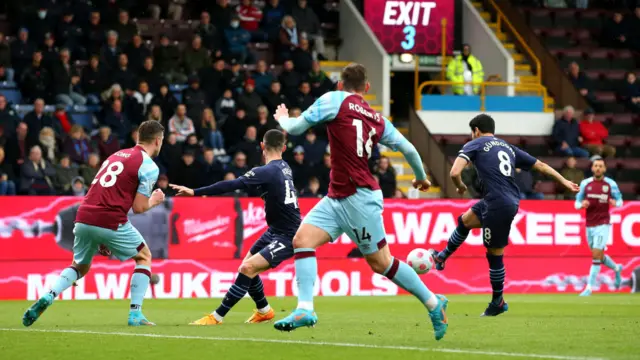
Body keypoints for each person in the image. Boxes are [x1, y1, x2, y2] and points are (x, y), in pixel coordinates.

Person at [271, 63, 448, 340]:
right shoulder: (377, 118)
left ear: (340, 84)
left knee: (381, 263)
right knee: (302, 240)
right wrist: (421, 178)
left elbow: (294, 128)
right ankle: (305, 309)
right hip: (337, 196)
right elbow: (410, 149)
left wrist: (283, 118)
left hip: (359, 198)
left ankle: (434, 303)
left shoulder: (334, 99)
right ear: (367, 88)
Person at [432, 114, 579, 316]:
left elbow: (454, 172)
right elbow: (542, 166)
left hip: (498, 204)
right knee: (465, 220)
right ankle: (442, 257)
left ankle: (498, 302)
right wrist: (564, 182)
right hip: (502, 199)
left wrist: (460, 187)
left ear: (475, 130)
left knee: (494, 254)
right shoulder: (507, 147)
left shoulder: (474, 144)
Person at [22, 120, 166, 327]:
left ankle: (49, 295)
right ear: (158, 141)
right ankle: (136, 314)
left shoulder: (115, 156)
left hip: (84, 215)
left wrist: (101, 235)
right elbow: (140, 207)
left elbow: (103, 191)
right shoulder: (149, 166)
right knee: (144, 256)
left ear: (138, 138)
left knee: (79, 266)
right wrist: (156, 200)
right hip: (109, 218)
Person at [171, 129, 301, 325]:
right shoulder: (285, 166)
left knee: (247, 268)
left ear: (262, 146)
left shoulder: (265, 171)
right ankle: (264, 310)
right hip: (275, 230)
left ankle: (217, 317)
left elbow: (231, 185)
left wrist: (195, 192)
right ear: (283, 148)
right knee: (246, 267)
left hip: (287, 235)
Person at [574, 157, 623, 296]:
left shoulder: (610, 184)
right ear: (592, 168)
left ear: (605, 169)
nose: (598, 168)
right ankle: (617, 268)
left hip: (603, 223)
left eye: (601, 166)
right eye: (596, 166)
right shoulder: (585, 184)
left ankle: (589, 287)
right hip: (589, 224)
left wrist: (615, 202)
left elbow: (620, 201)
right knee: (598, 255)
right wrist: (581, 205)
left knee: (596, 255)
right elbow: (576, 203)